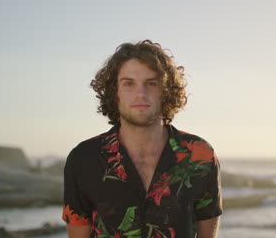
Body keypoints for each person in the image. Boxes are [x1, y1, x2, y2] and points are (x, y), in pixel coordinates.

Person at [62, 40, 223, 238]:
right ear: (115, 92)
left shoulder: (200, 154)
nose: (141, 93)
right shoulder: (83, 159)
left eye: (151, 83)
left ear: (166, 91)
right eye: (128, 83)